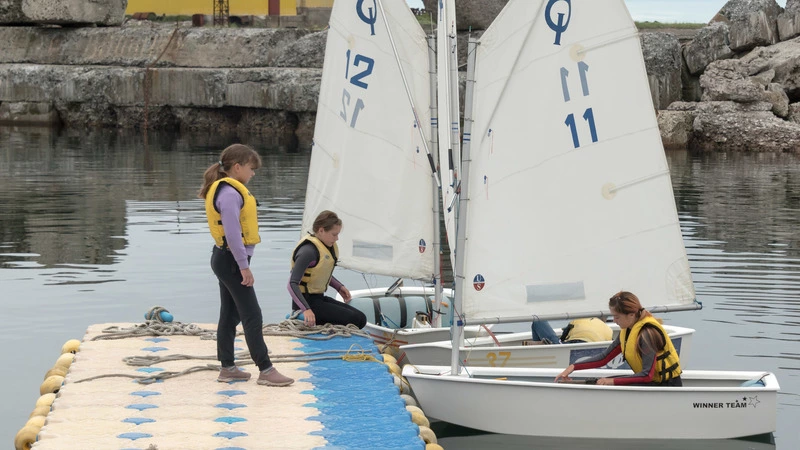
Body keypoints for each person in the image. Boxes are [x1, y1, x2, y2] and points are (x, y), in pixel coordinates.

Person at [199, 144, 294, 387]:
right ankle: (266, 369)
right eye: (251, 169)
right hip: (231, 260)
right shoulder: (230, 194)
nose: (253, 174)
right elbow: (232, 234)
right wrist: (244, 266)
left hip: (224, 259)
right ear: (237, 167)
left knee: (230, 314)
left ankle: (227, 367)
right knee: (252, 314)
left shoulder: (225, 189)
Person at [554, 291, 682, 386]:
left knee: (604, 382)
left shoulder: (647, 334)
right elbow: (605, 358)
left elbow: (647, 375)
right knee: (600, 382)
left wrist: (611, 381)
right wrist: (573, 367)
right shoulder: (627, 331)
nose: (614, 321)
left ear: (631, 315)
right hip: (651, 383)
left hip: (666, 386)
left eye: (617, 317)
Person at [288, 210, 368, 329]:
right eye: (334, 234)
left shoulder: (326, 246)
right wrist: (306, 310)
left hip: (319, 299)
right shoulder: (308, 252)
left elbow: (319, 273)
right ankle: (320, 327)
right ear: (321, 230)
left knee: (361, 318)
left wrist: (339, 287)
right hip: (306, 303)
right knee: (355, 320)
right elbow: (292, 284)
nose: (337, 239)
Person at [531, 317, 612, 344]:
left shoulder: (580, 320)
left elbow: (564, 336)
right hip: (592, 349)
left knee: (537, 321)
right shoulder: (608, 329)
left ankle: (539, 349)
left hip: (569, 346)